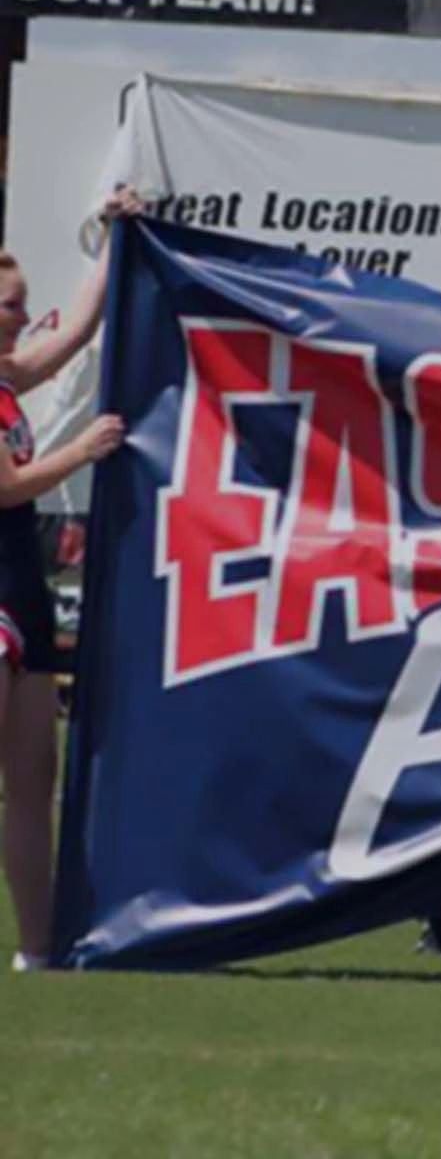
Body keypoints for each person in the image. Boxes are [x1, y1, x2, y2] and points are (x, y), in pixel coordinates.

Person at [1, 189, 140, 971]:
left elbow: (79, 332)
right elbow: (9, 485)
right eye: (11, 306)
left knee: (32, 781)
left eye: (21, 305)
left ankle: (39, 948)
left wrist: (114, 239)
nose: (24, 318)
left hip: (20, 581)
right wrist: (80, 452)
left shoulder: (9, 376)